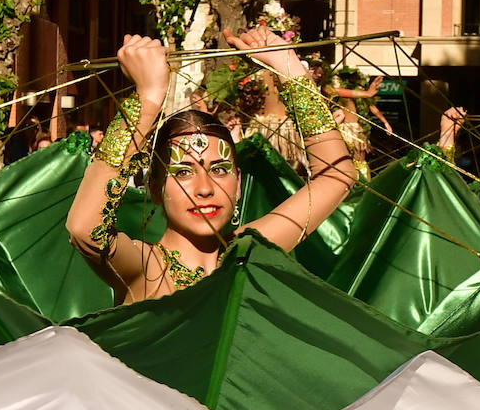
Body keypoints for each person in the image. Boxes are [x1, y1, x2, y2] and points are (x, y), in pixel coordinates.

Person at [68, 28, 354, 304]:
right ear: (155, 190)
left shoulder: (249, 252)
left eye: (218, 169)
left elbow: (336, 177)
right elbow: (84, 229)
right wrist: (149, 96)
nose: (204, 189)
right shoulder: (146, 268)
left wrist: (289, 66)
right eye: (182, 173)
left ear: (239, 184)